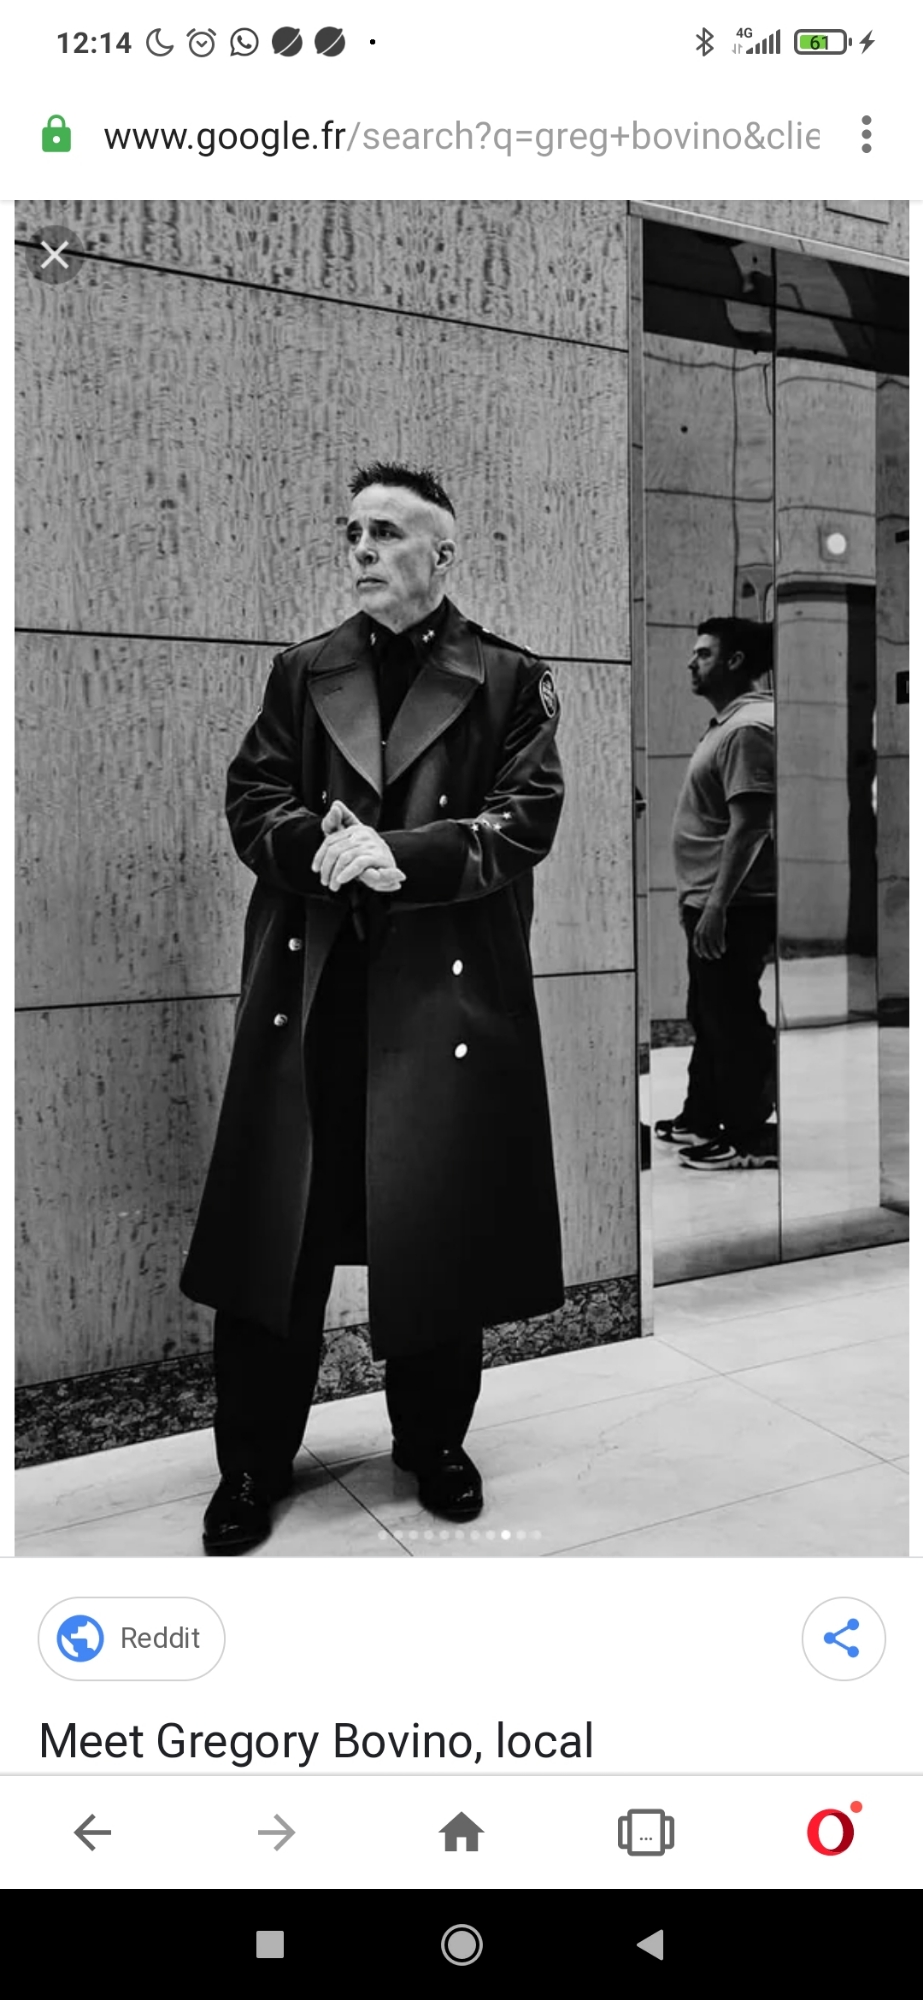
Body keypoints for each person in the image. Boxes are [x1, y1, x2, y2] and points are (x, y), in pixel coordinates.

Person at [180, 462, 565, 1553]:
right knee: (279, 1240)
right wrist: (324, 845)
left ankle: (432, 1443)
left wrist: (404, 856)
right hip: (309, 994)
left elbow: (527, 813)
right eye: (351, 530)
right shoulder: (304, 669)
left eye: (387, 532)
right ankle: (251, 1462)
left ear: (442, 554)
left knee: (433, 1227)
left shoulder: (507, 677)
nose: (361, 548)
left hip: (440, 996)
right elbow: (253, 798)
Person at [654, 616, 776, 1171]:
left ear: (735, 661)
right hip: (711, 900)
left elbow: (750, 826)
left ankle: (748, 1135)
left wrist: (718, 907)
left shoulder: (749, 728)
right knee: (708, 1012)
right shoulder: (728, 724)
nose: (691, 661)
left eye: (703, 653)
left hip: (735, 905)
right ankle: (702, 1116)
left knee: (732, 1018)